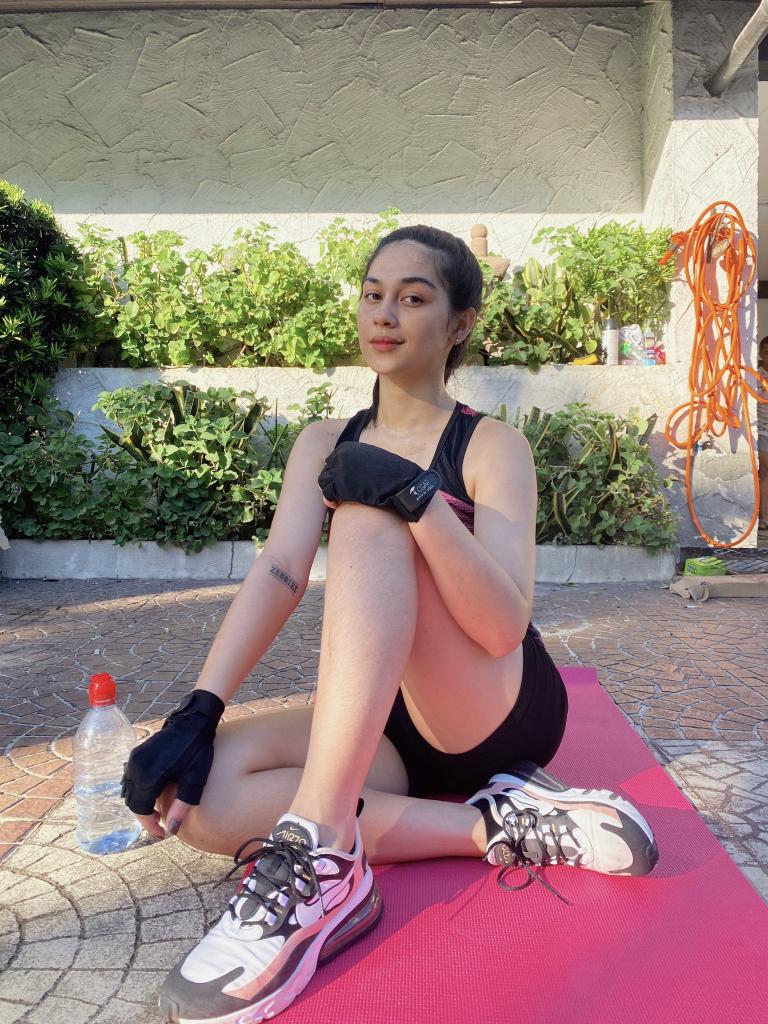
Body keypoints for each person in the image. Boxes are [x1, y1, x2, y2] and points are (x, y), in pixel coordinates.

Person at [121, 225, 659, 1024]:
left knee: (369, 516)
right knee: (197, 798)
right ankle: (498, 825)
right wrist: (199, 709)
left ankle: (324, 855)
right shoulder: (323, 443)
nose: (384, 313)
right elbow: (279, 573)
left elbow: (504, 625)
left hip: (493, 704)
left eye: (412, 298)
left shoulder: (492, 445)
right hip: (390, 721)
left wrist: (416, 501)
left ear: (460, 322)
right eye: (373, 294)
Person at [757, 336, 768, 531]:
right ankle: (764, 517)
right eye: (767, 353)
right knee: (765, 472)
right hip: (762, 430)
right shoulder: (755, 375)